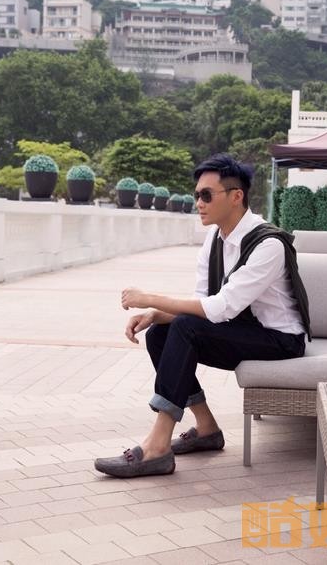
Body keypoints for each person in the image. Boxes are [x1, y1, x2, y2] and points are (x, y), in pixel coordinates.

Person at [94, 153, 311, 478]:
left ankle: (157, 447)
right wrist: (155, 314)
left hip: (281, 341)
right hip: (243, 330)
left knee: (184, 327)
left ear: (236, 196)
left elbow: (222, 307)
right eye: (197, 194)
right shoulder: (215, 239)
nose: (199, 203)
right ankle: (207, 427)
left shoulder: (268, 244)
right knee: (160, 333)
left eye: (206, 195)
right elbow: (203, 302)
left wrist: (149, 298)